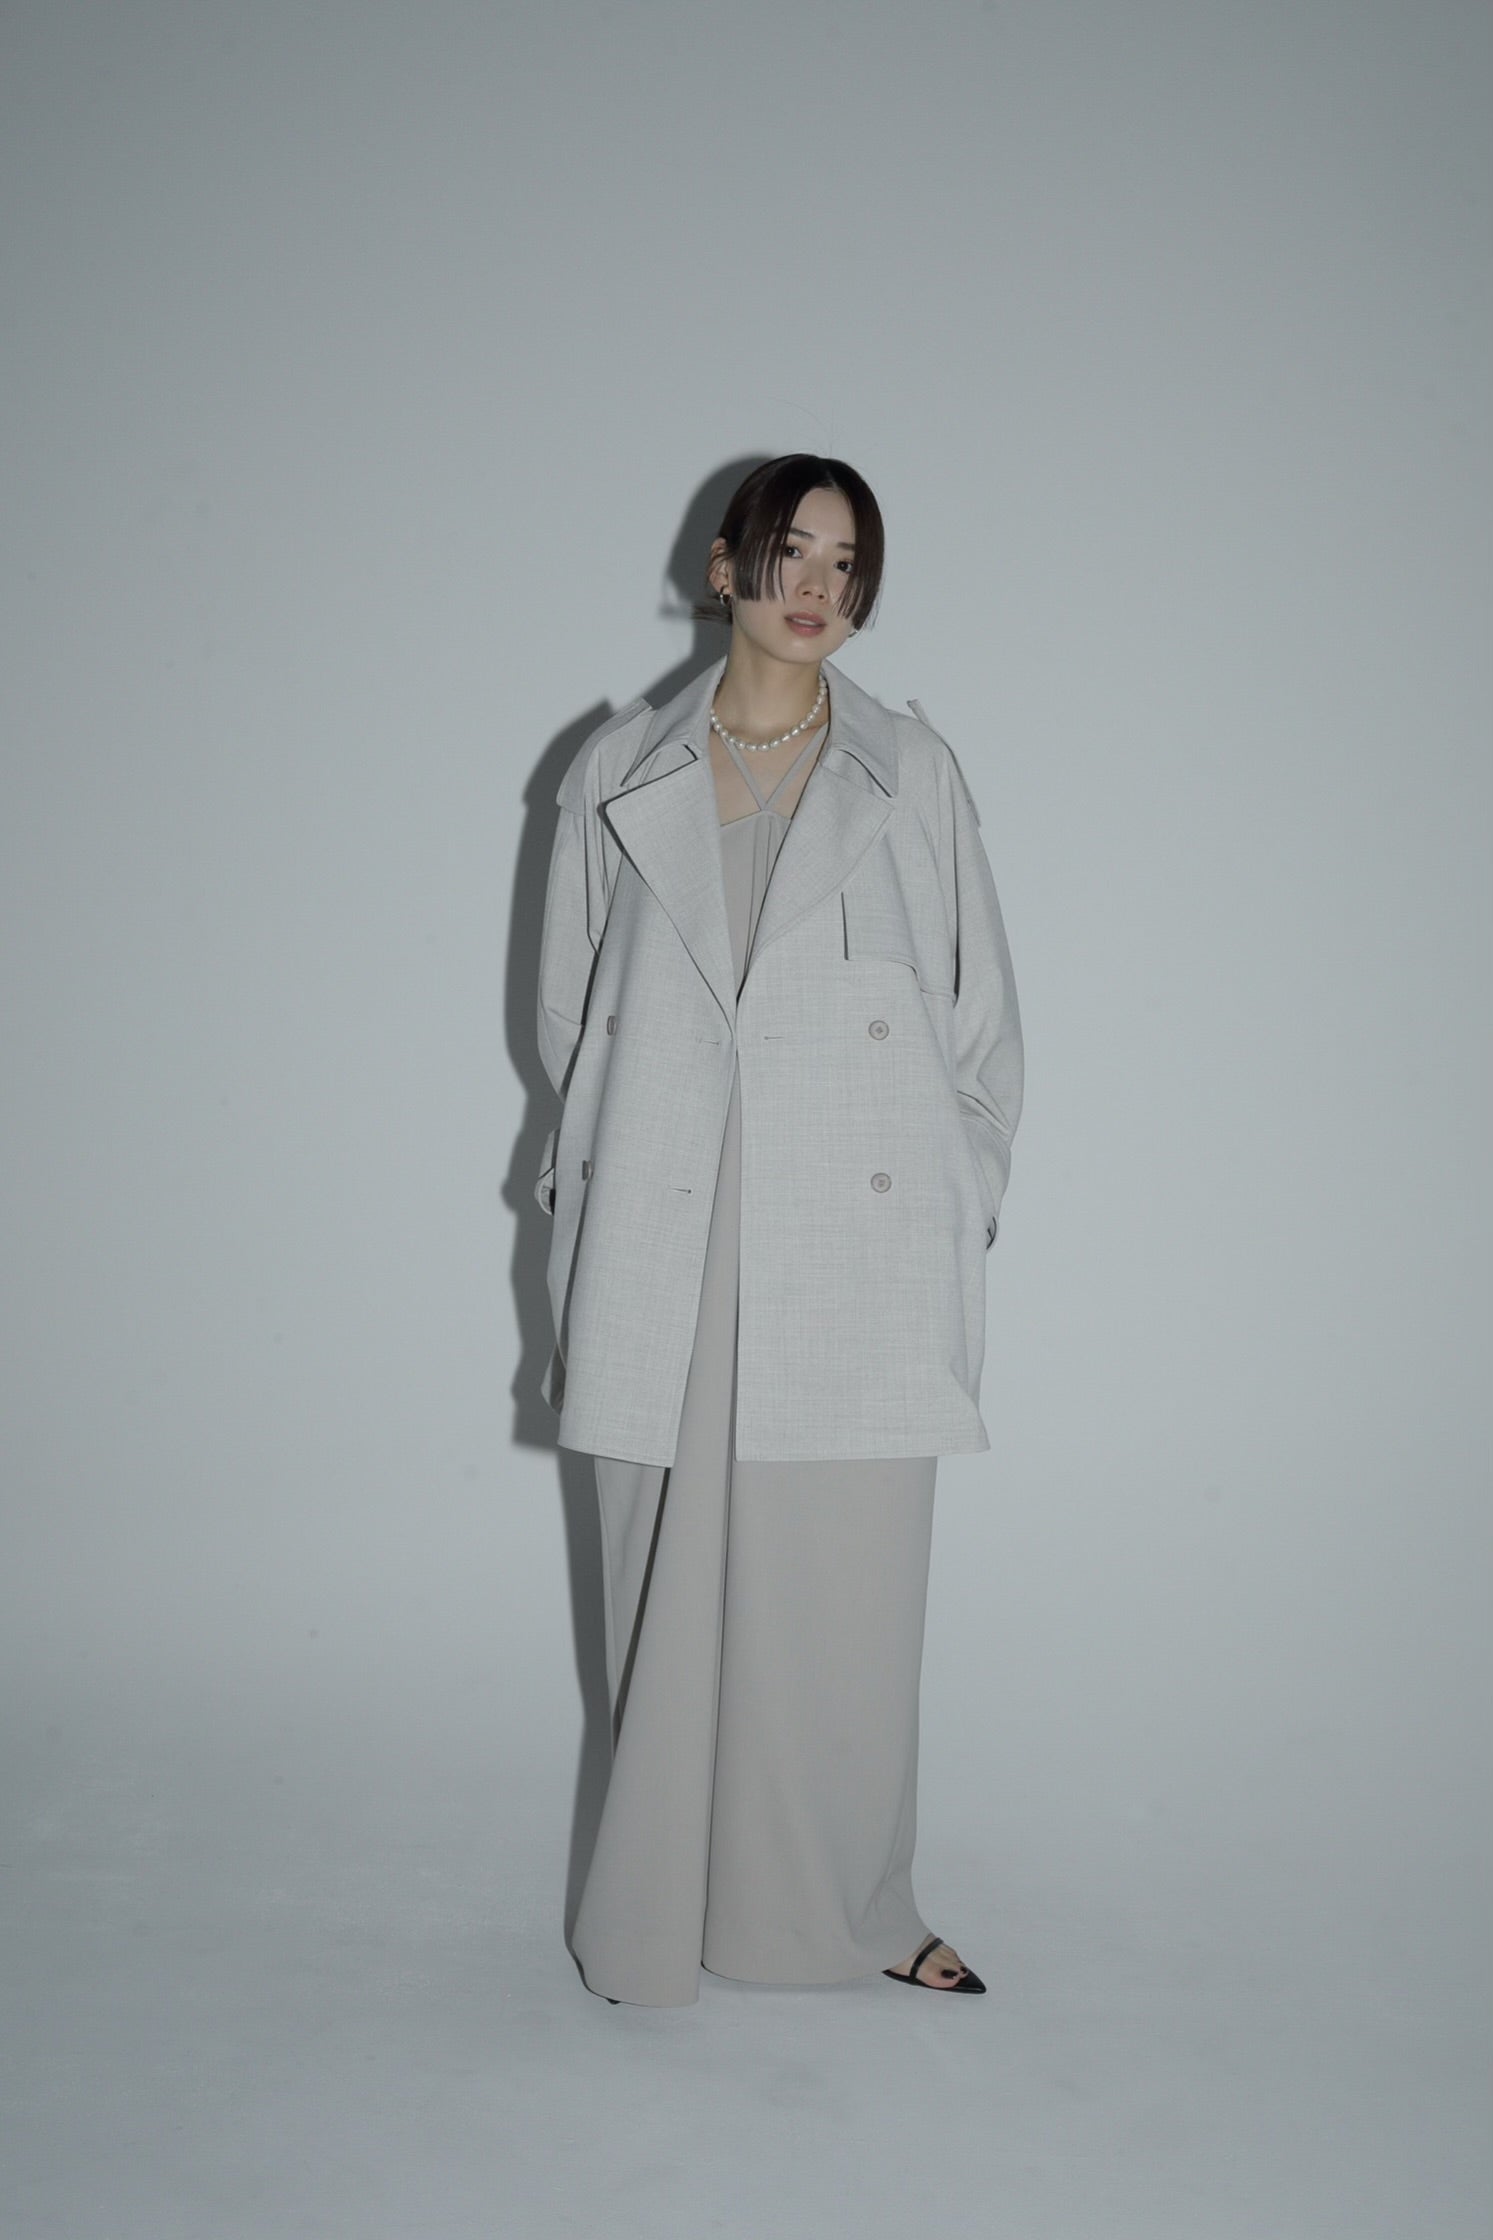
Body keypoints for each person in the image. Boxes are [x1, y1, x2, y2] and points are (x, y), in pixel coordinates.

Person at [534, 455, 1023, 2006]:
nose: (817, 586)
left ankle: (855, 1908)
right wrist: (601, 1176)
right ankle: (658, 1912)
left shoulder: (909, 768)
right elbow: (569, 1018)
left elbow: (980, 1025)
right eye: (791, 551)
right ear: (724, 567)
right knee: (667, 1581)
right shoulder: (618, 766)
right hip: (669, 1216)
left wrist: (958, 1187)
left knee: (844, 1589)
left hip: (850, 1224)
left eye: (846, 563)